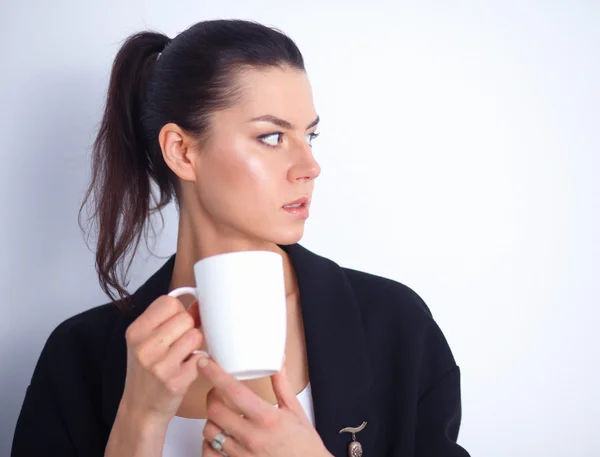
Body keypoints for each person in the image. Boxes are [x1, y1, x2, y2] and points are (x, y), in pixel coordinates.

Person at [11, 19, 470, 457]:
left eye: (310, 135)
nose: (309, 167)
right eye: (271, 137)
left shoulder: (394, 324)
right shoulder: (77, 357)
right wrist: (138, 419)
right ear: (182, 151)